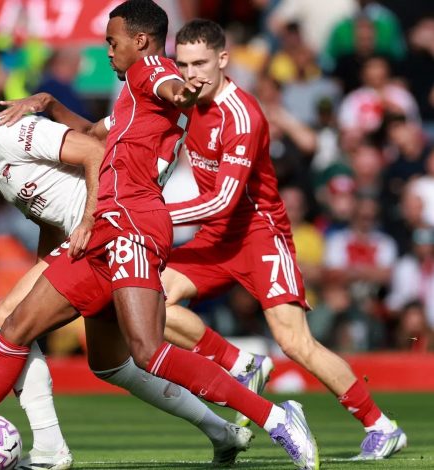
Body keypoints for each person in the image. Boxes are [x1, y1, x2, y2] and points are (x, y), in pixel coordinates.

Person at [0, 2, 317, 469]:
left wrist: (184, 95)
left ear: (140, 40)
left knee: (139, 349)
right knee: (57, 342)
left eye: (111, 41)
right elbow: (91, 132)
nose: (106, 51)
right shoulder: (129, 99)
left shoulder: (149, 70)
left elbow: (140, 112)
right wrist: (47, 102)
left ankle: (275, 416)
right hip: (107, 229)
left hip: (127, 221)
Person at [0, 72, 255, 469]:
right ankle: (223, 431)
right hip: (86, 242)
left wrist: (88, 220)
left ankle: (10, 447)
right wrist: (45, 267)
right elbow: (47, 218)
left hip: (104, 235)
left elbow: (95, 153)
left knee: (8, 323)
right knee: (113, 364)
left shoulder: (13, 132)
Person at [158, 19, 405, 459]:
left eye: (200, 63)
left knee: (295, 342)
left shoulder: (243, 115)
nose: (191, 73)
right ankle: (242, 364)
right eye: (183, 63)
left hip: (259, 234)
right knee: (153, 302)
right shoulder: (185, 97)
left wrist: (153, 215)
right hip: (218, 236)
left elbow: (223, 201)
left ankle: (381, 426)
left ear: (223, 60)